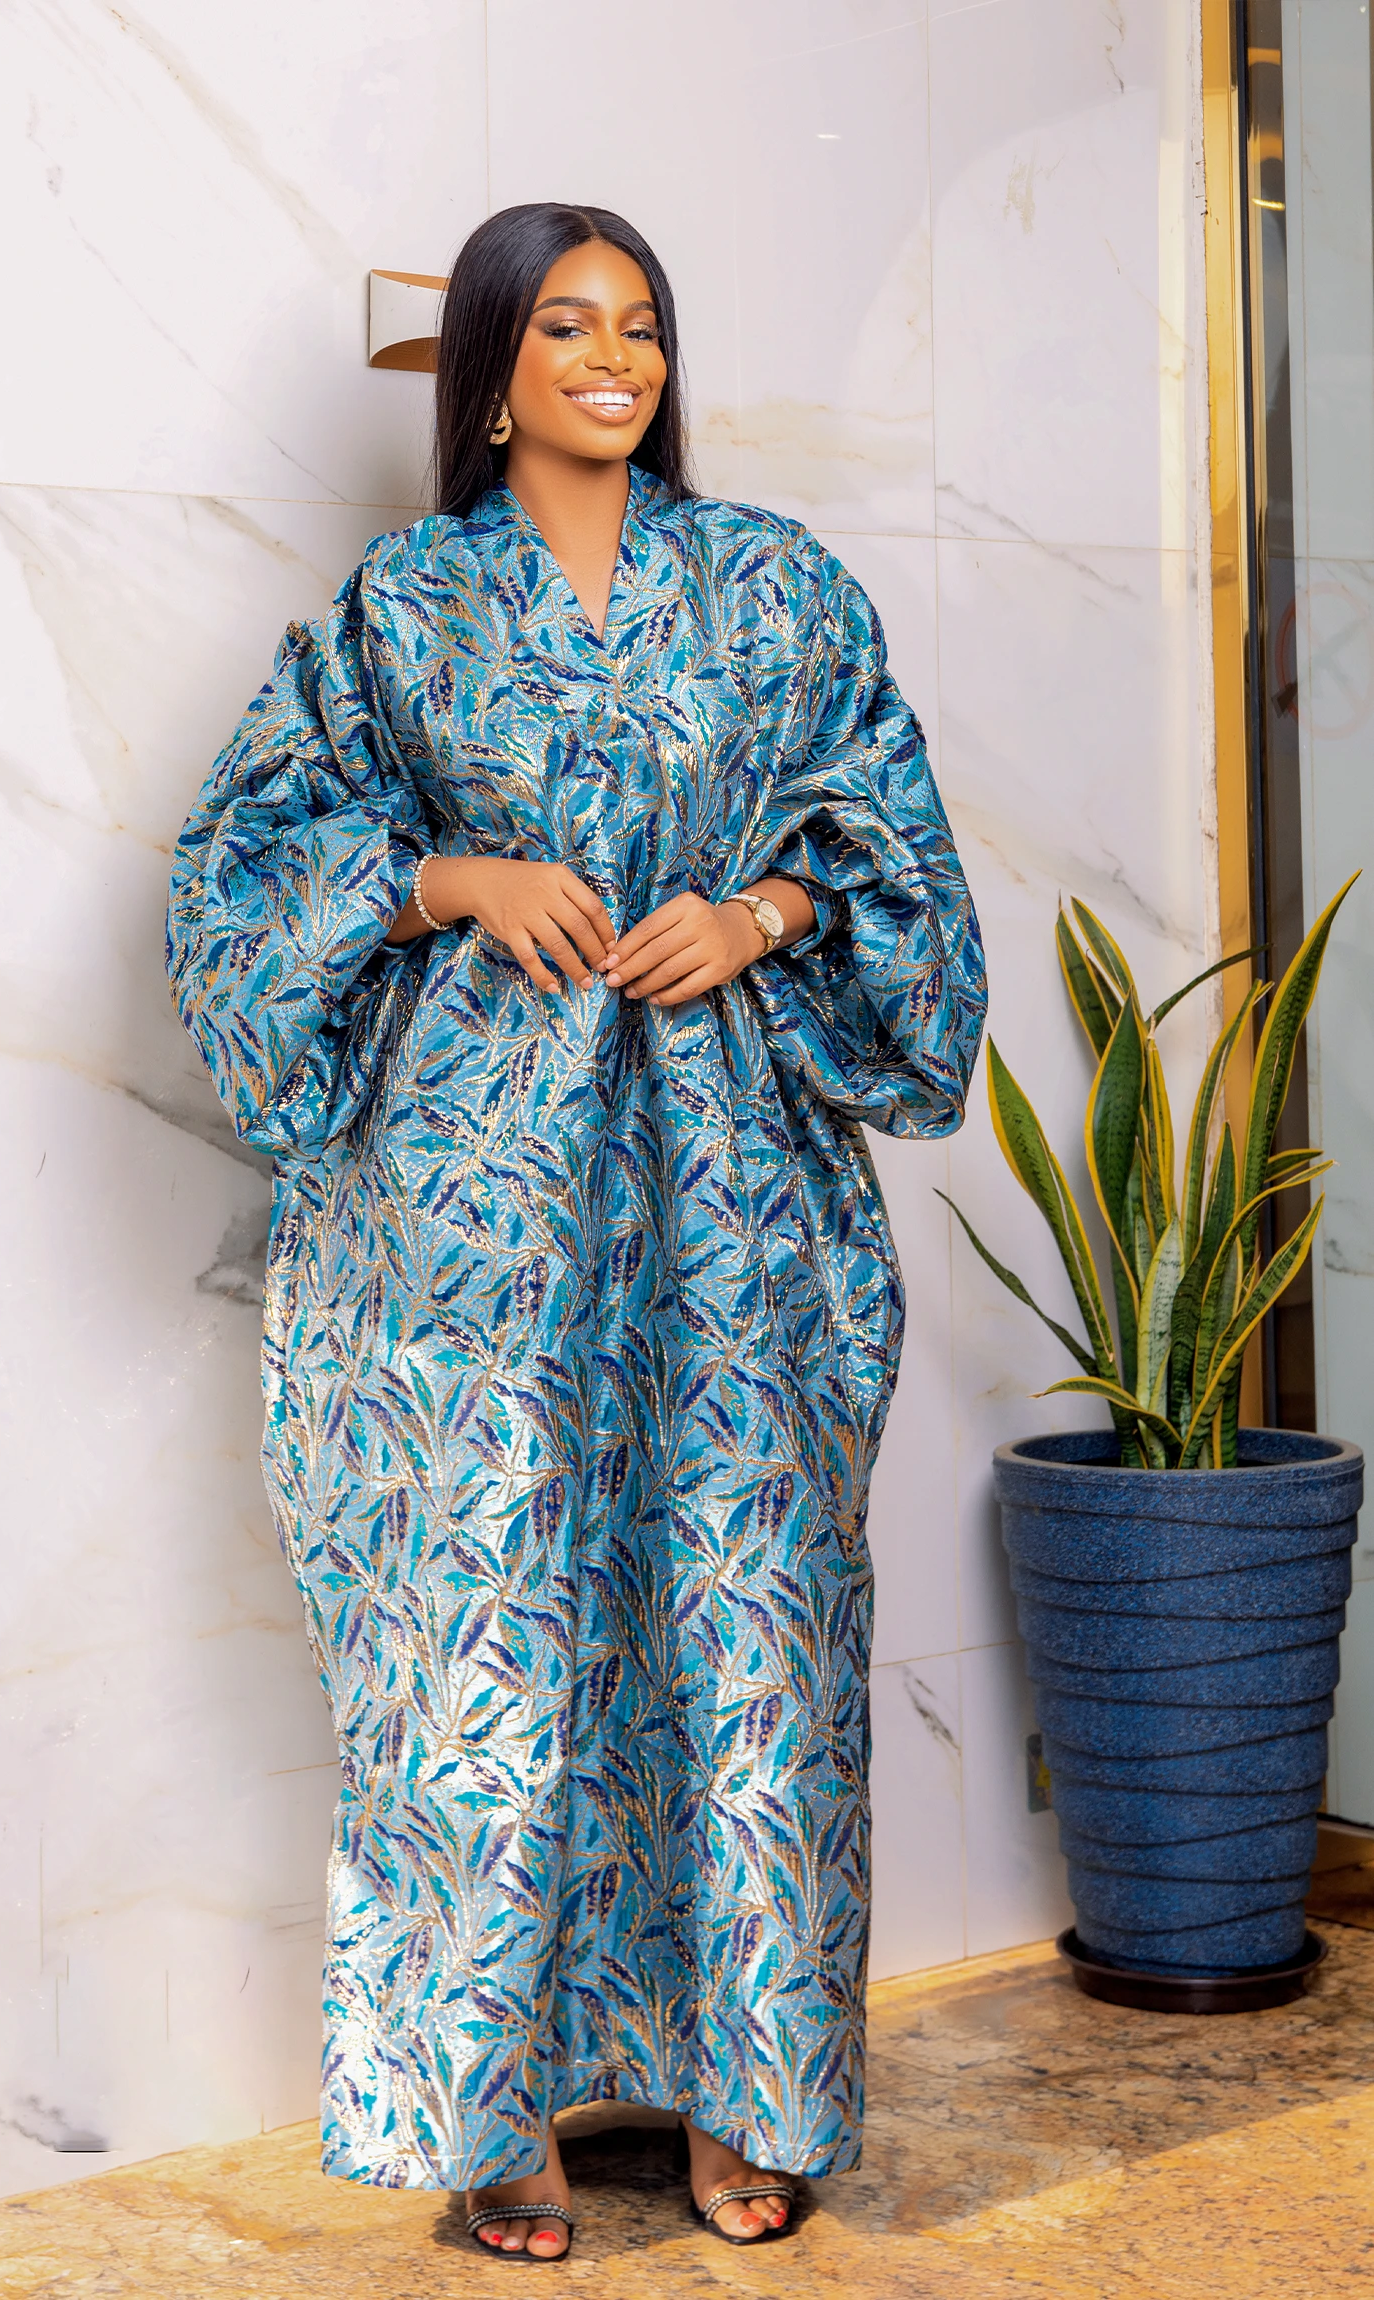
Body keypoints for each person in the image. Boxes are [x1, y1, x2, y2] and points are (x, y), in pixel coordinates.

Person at [168, 201, 985, 2262]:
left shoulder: (777, 587)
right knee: (483, 1634)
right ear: (491, 371)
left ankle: (745, 2093)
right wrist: (454, 880)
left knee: (748, 1629)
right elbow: (242, 863)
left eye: (641, 325)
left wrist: (763, 913)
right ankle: (495, 2116)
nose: (614, 359)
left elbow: (890, 845)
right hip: (468, 1224)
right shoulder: (406, 606)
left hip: (735, 1206)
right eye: (565, 325)